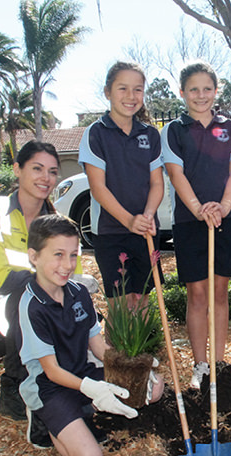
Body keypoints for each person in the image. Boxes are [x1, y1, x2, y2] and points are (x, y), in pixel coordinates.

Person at [0, 140, 96, 422]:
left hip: (40, 315)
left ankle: (68, 385)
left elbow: (72, 284)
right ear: (17, 169)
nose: (46, 178)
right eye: (37, 168)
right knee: (27, 296)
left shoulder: (62, 225)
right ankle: (15, 391)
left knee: (78, 308)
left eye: (53, 171)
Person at [16, 214, 162, 456]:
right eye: (58, 254)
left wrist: (132, 367)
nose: (68, 264)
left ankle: (85, 410)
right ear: (34, 256)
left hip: (82, 373)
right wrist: (91, 389)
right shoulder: (31, 306)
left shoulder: (78, 292)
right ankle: (46, 421)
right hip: (51, 387)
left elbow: (97, 346)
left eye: (73, 255)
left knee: (155, 387)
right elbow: (51, 371)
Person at [160, 61, 231, 389]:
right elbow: (176, 174)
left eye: (207, 89)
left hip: (225, 218)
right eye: (193, 89)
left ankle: (218, 365)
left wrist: (224, 207)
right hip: (190, 220)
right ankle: (200, 366)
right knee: (197, 294)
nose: (201, 95)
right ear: (182, 93)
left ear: (216, 91)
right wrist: (200, 209)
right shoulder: (174, 130)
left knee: (219, 291)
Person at [78, 61, 164, 311]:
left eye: (138, 89)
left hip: (146, 229)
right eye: (122, 88)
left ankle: (145, 351)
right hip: (111, 231)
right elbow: (98, 188)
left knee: (143, 300)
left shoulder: (150, 134)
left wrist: (147, 217)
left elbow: (157, 183)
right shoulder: (95, 134)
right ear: (107, 92)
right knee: (119, 304)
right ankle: (119, 352)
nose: (131, 96)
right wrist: (129, 221)